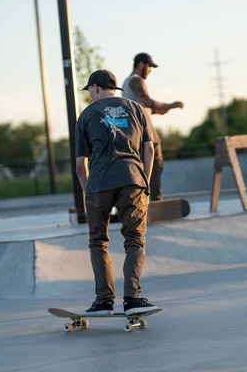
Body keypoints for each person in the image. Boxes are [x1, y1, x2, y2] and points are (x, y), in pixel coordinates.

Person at [75, 69, 158, 316]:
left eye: (89, 89)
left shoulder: (87, 115)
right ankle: (132, 298)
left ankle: (103, 301)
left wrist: (87, 192)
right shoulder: (136, 109)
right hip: (133, 180)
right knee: (134, 239)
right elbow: (149, 151)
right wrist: (144, 182)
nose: (89, 95)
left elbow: (81, 165)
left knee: (98, 241)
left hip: (99, 184)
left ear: (97, 88)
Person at [122, 52, 184, 201]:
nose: (150, 71)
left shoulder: (126, 83)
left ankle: (139, 200)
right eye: (149, 67)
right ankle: (156, 200)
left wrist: (156, 111)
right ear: (142, 64)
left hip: (133, 131)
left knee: (140, 167)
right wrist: (171, 104)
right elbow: (147, 100)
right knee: (156, 164)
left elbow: (142, 107)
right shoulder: (136, 81)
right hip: (145, 131)